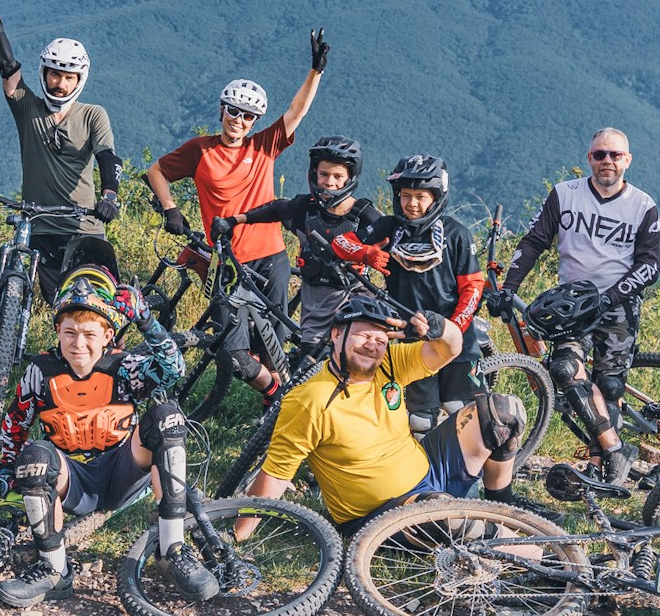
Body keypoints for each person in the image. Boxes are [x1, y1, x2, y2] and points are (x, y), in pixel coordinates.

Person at [0, 271, 209, 608]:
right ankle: (54, 570)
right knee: (36, 455)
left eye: (89, 334)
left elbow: (174, 368)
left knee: (166, 417)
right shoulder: (40, 371)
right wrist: (7, 468)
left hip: (122, 471)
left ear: (108, 335)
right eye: (70, 333)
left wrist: (145, 319)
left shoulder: (125, 367)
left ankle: (172, 551)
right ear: (57, 332)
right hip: (72, 480)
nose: (79, 343)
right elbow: (15, 423)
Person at [241, 293, 528, 534]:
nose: (372, 345)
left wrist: (438, 328)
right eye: (363, 335)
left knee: (503, 410)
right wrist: (238, 535)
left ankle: (502, 509)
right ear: (336, 334)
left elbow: (449, 349)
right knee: (447, 516)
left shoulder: (388, 364)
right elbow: (276, 476)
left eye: (380, 340)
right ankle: (542, 556)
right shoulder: (311, 400)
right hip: (379, 514)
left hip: (429, 469)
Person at [147, 31, 329, 400]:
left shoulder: (264, 146)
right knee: (234, 350)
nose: (239, 120)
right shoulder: (201, 150)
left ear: (254, 120)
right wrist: (170, 208)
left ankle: (273, 412)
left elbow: (297, 111)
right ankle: (277, 391)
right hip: (227, 262)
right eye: (234, 111)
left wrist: (316, 70)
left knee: (275, 342)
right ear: (221, 110)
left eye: (248, 116)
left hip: (271, 257)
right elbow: (156, 172)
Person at [496, 128, 660, 487]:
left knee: (611, 386)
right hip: (572, 303)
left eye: (615, 155)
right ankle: (616, 449)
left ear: (627, 160)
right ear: (589, 158)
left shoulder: (643, 205)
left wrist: (611, 297)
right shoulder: (564, 194)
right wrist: (508, 288)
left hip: (618, 304)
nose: (607, 161)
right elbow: (534, 240)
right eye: (600, 154)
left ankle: (599, 466)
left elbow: (650, 266)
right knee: (565, 368)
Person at [0, 0, 122, 296]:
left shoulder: (92, 115)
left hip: (85, 227)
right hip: (39, 228)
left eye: (69, 77)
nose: (60, 83)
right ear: (43, 73)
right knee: (58, 310)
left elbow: (107, 157)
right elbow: (5, 63)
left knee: (101, 306)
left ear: (80, 79)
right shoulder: (27, 106)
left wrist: (110, 196)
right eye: (55, 74)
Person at [331, 155, 484, 434]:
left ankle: (470, 477)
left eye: (421, 196)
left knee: (462, 412)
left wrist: (452, 328)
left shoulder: (457, 234)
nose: (412, 204)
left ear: (437, 197)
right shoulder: (389, 227)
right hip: (409, 337)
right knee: (420, 419)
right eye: (405, 195)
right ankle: (423, 472)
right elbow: (341, 243)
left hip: (457, 338)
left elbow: (472, 287)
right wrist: (366, 252)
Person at [219, 134, 379, 347]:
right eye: (323, 174)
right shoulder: (305, 209)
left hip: (354, 304)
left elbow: (395, 242)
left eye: (338, 176)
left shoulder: (365, 217)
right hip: (315, 308)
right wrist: (232, 221)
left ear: (350, 178)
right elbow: (276, 209)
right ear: (314, 173)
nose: (329, 182)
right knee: (309, 364)